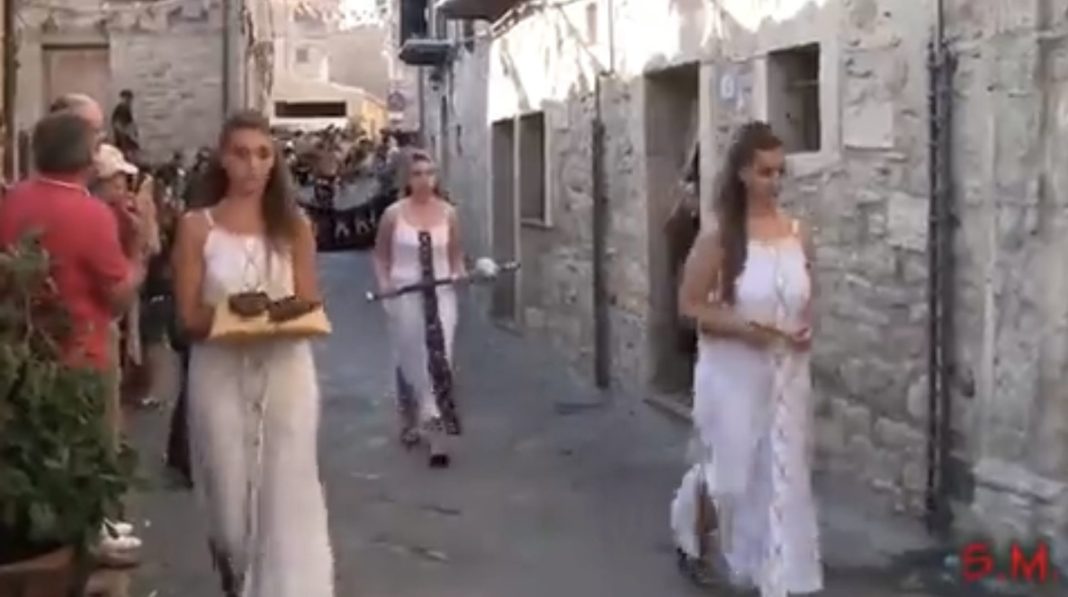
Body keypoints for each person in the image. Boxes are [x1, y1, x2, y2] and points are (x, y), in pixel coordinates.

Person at [172, 110, 333, 596]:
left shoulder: (294, 227)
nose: (253, 166)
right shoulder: (197, 227)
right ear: (223, 158)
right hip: (219, 372)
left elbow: (309, 301)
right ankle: (235, 581)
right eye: (241, 154)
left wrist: (284, 315)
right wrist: (235, 316)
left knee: (286, 496)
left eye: (263, 154)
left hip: (287, 373)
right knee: (228, 506)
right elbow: (187, 317)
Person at [669, 121, 822, 596]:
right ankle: (692, 529)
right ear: (742, 173)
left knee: (780, 472)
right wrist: (749, 329)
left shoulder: (797, 232)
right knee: (730, 477)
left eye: (779, 172)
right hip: (731, 370)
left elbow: (804, 294)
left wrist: (804, 327)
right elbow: (689, 305)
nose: (774, 182)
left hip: (786, 373)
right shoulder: (719, 237)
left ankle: (775, 571)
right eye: (764, 172)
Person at [0, 113, 146, 555]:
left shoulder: (13, 200)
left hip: (24, 349)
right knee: (90, 447)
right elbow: (117, 296)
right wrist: (139, 253)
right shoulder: (90, 213)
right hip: (82, 349)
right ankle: (93, 531)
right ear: (86, 156)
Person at [372, 151, 465, 467]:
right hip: (405, 295)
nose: (424, 180)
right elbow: (381, 257)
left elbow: (455, 257)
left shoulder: (449, 214)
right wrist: (385, 284)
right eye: (417, 174)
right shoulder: (392, 215)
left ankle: (435, 432)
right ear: (407, 179)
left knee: (439, 359)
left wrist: (459, 274)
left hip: (441, 295)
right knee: (410, 358)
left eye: (429, 173)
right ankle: (410, 415)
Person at [111, 89, 140, 161]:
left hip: (122, 129)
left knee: (128, 146)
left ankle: (125, 158)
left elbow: (130, 121)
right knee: (126, 146)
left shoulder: (124, 107)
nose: (130, 101)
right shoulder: (122, 107)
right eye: (129, 99)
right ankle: (126, 159)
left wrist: (134, 131)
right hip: (121, 130)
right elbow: (117, 121)